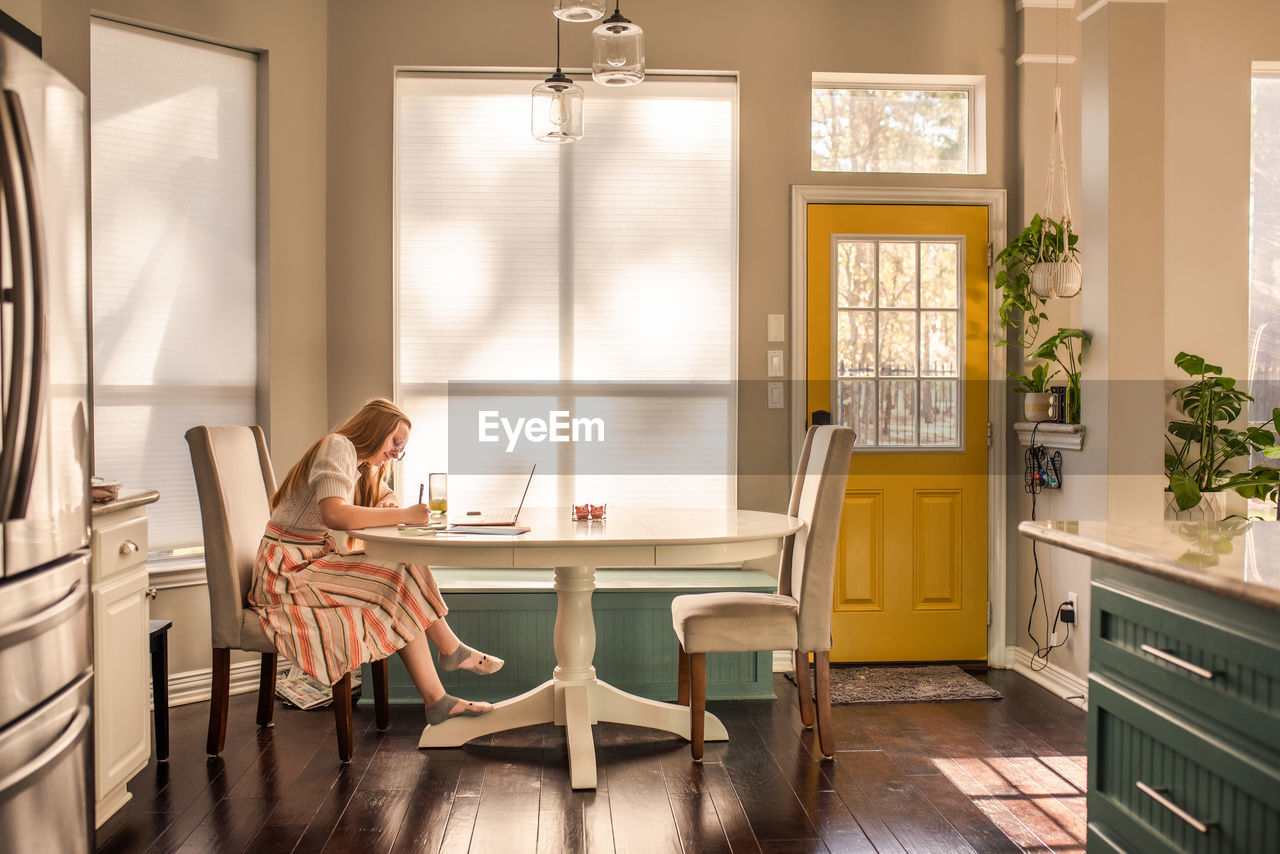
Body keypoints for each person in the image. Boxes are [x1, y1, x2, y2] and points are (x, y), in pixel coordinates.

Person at [248, 398, 501, 725]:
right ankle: (448, 661)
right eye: (395, 442)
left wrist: (390, 503)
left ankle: (441, 691)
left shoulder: (359, 464)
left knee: (402, 567)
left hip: (310, 561)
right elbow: (334, 513)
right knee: (398, 573)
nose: (397, 452)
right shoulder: (337, 446)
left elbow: (384, 495)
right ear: (374, 428)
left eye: (402, 447)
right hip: (285, 571)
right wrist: (405, 515)